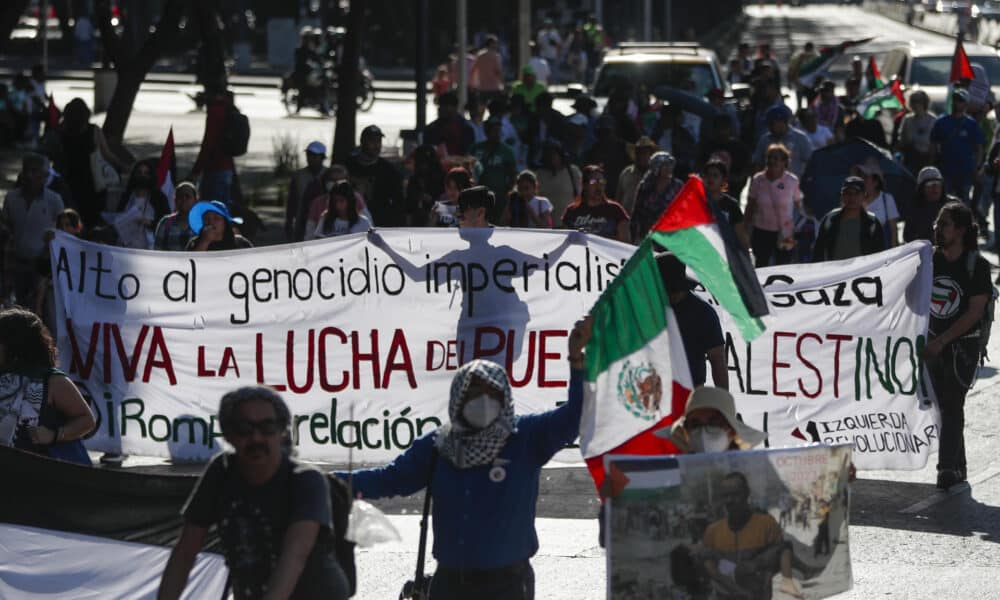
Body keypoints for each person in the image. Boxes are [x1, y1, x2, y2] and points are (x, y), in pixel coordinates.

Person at [333, 318, 593, 600]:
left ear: (504, 397)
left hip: (508, 585)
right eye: (472, 393)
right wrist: (330, 482)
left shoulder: (525, 438)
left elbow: (574, 416)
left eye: (491, 393)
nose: (482, 401)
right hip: (451, 585)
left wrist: (576, 360)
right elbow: (389, 479)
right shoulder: (437, 447)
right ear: (457, 399)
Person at [157, 386, 350, 600]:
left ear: (282, 432)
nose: (256, 438)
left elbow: (295, 555)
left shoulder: (305, 479)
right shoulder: (221, 472)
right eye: (244, 428)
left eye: (267, 427)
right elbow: (185, 552)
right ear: (229, 435)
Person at [924, 202, 991, 490]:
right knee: (942, 406)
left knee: (952, 403)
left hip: (962, 347)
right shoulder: (930, 261)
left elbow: (974, 312)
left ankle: (946, 468)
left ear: (961, 231)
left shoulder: (977, 265)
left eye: (945, 224)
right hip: (934, 346)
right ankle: (958, 463)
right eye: (937, 223)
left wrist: (942, 341)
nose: (938, 229)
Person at [0, 308, 95, 466]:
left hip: (44, 478)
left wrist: (55, 435)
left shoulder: (53, 380)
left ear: (14, 345)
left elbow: (87, 420)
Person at [656, 253, 727, 389]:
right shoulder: (649, 308)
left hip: (690, 393)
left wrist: (722, 401)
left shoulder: (704, 314)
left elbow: (717, 359)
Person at [3, 153, 64, 309]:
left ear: (44, 176)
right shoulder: (11, 198)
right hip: (17, 264)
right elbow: (6, 230)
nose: (31, 176)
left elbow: (64, 231)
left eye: (36, 172)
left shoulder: (54, 200)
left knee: (39, 309)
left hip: (42, 267)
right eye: (29, 171)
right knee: (17, 307)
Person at [53, 98, 125, 229]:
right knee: (90, 218)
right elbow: (107, 154)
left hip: (67, 179)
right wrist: (122, 166)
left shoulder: (60, 132)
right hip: (90, 181)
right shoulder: (93, 131)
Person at [746, 143, 800, 267]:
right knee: (761, 265)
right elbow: (750, 205)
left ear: (784, 162)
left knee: (783, 266)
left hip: (785, 232)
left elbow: (798, 206)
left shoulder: (792, 181)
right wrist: (745, 227)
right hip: (761, 231)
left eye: (776, 158)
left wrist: (796, 230)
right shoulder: (758, 179)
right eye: (769, 157)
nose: (772, 161)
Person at [812, 176, 885, 262]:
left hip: (863, 273)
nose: (851, 197)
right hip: (835, 272)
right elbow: (818, 252)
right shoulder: (830, 219)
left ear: (864, 195)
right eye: (847, 193)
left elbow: (879, 255)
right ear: (842, 195)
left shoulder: (872, 223)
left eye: (856, 193)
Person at [345, 125, 406, 227]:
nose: (376, 145)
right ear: (362, 142)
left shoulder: (389, 170)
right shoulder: (348, 165)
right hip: (350, 221)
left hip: (379, 223)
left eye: (378, 141)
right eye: (372, 141)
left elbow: (398, 202)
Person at [930, 88, 984, 204]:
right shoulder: (941, 122)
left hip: (965, 171)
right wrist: (933, 163)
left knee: (964, 200)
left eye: (960, 100)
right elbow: (933, 144)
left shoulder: (971, 124)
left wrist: (977, 167)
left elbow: (979, 148)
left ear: (966, 104)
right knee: (944, 200)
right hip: (946, 169)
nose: (956, 103)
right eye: (955, 99)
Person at [191, 90, 237, 207]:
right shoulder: (229, 108)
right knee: (223, 210)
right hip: (227, 168)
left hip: (214, 167)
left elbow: (208, 142)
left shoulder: (214, 111)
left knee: (209, 208)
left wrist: (196, 169)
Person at [561, 165, 630, 242]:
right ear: (584, 185)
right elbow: (565, 240)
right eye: (593, 181)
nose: (598, 186)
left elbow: (625, 242)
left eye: (601, 181)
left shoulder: (615, 210)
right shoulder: (572, 211)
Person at [114, 160, 170, 249]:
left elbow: (167, 223)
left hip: (148, 249)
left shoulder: (159, 198)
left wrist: (149, 223)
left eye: (146, 173)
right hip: (124, 248)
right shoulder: (127, 196)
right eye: (139, 172)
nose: (142, 176)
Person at [470, 117, 517, 221]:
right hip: (478, 196)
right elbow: (468, 167)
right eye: (494, 130)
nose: (497, 134)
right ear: (487, 131)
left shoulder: (507, 151)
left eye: (499, 131)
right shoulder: (476, 148)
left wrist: (508, 194)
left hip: (499, 197)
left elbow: (513, 175)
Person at [631, 152, 682, 242]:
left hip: (670, 235)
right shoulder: (645, 186)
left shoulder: (677, 186)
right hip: (647, 234)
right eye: (665, 166)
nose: (669, 169)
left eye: (670, 165)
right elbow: (636, 212)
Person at [752, 105, 813, 179]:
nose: (769, 127)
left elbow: (811, 162)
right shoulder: (765, 139)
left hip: (795, 185)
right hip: (769, 186)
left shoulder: (800, 138)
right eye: (769, 124)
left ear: (782, 122)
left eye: (772, 124)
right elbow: (757, 163)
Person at [703, 159, 750, 250]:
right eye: (708, 175)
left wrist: (747, 255)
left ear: (723, 180)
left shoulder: (731, 205)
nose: (710, 178)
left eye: (715, 175)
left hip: (725, 254)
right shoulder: (696, 202)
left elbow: (741, 235)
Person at [286, 141, 328, 241]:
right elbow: (292, 200)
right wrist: (289, 221)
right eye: (309, 155)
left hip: (322, 218)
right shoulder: (299, 175)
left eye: (314, 156)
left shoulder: (328, 174)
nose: (310, 159)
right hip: (302, 219)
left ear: (322, 157)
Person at [852, 161, 900, 248]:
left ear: (876, 182)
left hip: (883, 253)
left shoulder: (887, 199)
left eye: (865, 177)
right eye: (860, 177)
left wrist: (893, 253)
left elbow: (893, 230)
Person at [536, 140, 581, 227]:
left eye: (554, 154)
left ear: (561, 155)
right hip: (545, 227)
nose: (551, 158)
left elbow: (581, 196)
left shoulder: (573, 172)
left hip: (567, 225)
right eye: (548, 155)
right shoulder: (539, 174)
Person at [905, 167, 952, 244]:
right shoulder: (915, 208)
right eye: (929, 184)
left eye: (938, 183)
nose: (935, 187)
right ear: (921, 188)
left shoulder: (953, 205)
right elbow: (908, 236)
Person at [424, 91, 478, 157]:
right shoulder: (431, 129)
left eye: (446, 106)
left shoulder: (466, 129)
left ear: (455, 108)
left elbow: (470, 153)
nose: (441, 109)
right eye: (440, 106)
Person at [896, 90, 936, 176]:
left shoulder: (932, 120)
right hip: (910, 159)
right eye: (913, 101)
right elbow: (902, 141)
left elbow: (934, 143)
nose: (915, 104)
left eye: (918, 101)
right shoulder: (907, 120)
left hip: (926, 159)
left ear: (924, 103)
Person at [186, 200, 252, 251]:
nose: (211, 222)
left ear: (225, 223)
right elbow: (189, 265)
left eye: (216, 218)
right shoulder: (193, 243)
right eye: (206, 218)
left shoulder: (241, 244)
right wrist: (204, 242)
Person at [616, 136, 657, 215]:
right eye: (638, 152)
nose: (641, 156)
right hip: (627, 220)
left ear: (651, 155)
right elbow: (618, 199)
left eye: (644, 153)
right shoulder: (626, 173)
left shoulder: (657, 174)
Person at [153, 181, 198, 251]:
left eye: (188, 196)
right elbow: (157, 250)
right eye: (180, 196)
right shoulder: (165, 222)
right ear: (175, 200)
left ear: (195, 201)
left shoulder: (202, 224)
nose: (184, 199)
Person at [470, 35, 504, 102]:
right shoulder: (496, 56)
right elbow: (498, 71)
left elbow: (473, 70)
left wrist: (473, 84)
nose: (497, 45)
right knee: (495, 108)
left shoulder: (479, 55)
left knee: (481, 107)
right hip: (494, 87)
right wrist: (503, 83)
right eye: (496, 43)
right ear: (491, 44)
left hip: (482, 87)